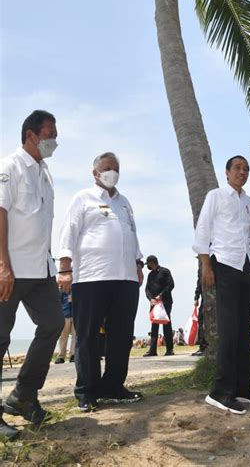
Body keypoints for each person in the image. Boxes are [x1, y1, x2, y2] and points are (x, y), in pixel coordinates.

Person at [57, 152, 144, 412]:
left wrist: (138, 264)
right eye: (107, 168)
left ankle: (113, 386)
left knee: (121, 336)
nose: (112, 172)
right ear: (95, 172)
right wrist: (64, 268)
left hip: (125, 279)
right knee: (88, 336)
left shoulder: (125, 202)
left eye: (115, 168)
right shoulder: (83, 198)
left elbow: (132, 234)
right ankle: (87, 391)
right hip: (91, 278)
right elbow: (68, 233)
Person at [0, 110, 64, 439]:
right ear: (30, 135)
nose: (55, 140)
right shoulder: (10, 166)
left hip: (41, 269)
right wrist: (3, 266)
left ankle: (23, 395)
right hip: (11, 268)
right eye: (49, 134)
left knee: (53, 324)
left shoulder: (45, 172)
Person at [193, 155, 250, 415]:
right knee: (229, 330)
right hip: (224, 264)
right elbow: (202, 230)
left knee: (245, 329)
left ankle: (242, 387)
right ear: (227, 172)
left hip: (246, 266)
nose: (242, 172)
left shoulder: (248, 202)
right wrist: (206, 265)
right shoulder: (216, 196)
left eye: (246, 169)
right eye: (237, 168)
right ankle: (221, 391)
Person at [143, 255, 175, 357]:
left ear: (153, 262)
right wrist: (150, 299)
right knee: (154, 325)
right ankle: (152, 350)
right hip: (154, 303)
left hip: (165, 302)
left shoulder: (165, 271)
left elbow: (171, 285)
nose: (147, 265)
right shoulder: (150, 275)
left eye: (148, 263)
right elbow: (147, 289)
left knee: (166, 324)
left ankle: (169, 349)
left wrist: (161, 295)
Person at [55, 290, 75, 363]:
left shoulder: (77, 288)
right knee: (63, 336)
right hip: (64, 315)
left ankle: (73, 355)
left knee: (75, 336)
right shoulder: (62, 290)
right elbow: (58, 303)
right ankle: (61, 356)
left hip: (75, 315)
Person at [191, 269, 208, 357]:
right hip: (204, 298)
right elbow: (199, 283)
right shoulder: (201, 269)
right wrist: (196, 297)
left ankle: (206, 346)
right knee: (201, 321)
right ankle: (203, 346)